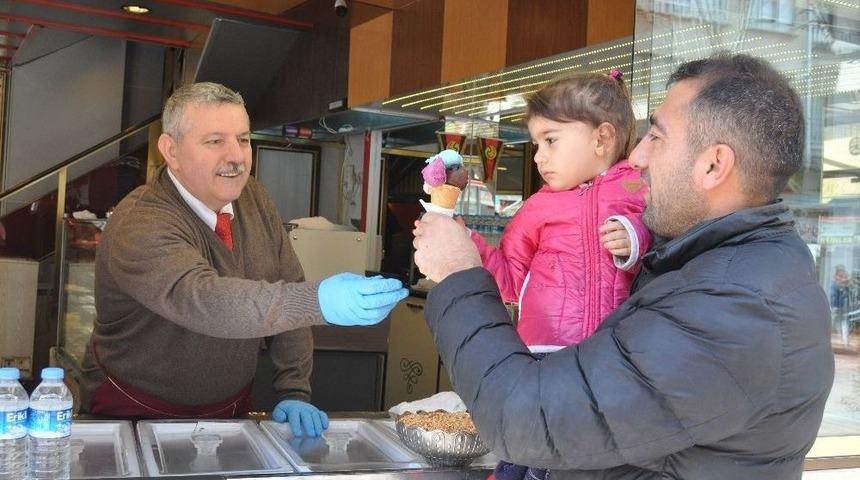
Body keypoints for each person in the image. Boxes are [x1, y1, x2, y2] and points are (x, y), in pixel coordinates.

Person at [412, 52, 834, 479]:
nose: (636, 157)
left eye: (657, 137)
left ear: (713, 165)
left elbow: (526, 419)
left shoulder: (733, 309)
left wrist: (458, 274)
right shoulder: (721, 272)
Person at [79, 82, 407, 437]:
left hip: (229, 412)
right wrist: (320, 301)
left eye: (243, 139)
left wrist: (294, 389)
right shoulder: (141, 221)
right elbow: (205, 301)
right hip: (135, 412)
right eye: (215, 141)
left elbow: (288, 286)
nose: (236, 157)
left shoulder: (255, 197)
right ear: (171, 150)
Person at [467, 71, 650, 480]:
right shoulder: (537, 207)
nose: (538, 157)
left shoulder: (640, 190)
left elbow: (670, 250)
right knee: (527, 444)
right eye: (536, 144)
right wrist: (468, 247)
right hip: (544, 351)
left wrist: (637, 238)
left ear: (602, 138)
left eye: (550, 140)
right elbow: (509, 280)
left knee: (590, 453)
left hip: (615, 355)